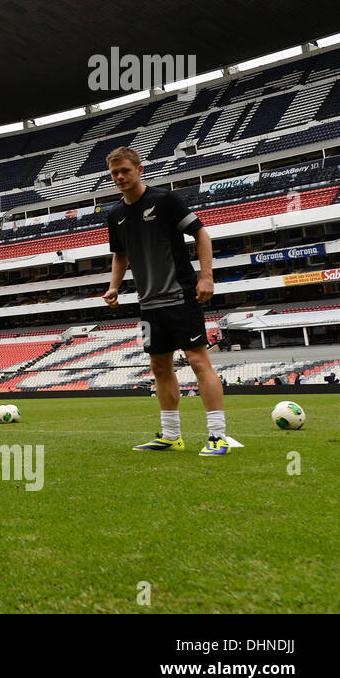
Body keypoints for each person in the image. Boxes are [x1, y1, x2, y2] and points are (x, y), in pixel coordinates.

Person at [101, 146, 230, 456]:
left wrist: (207, 276)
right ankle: (171, 435)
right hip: (148, 303)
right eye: (115, 173)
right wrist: (114, 286)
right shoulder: (115, 214)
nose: (120, 177)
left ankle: (218, 436)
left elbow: (202, 235)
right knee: (159, 366)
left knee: (199, 361)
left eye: (125, 171)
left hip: (180, 296)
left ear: (139, 169)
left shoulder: (165, 200)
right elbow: (121, 254)